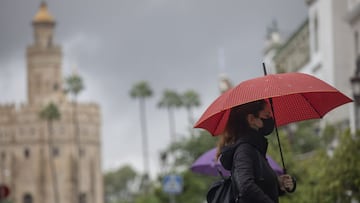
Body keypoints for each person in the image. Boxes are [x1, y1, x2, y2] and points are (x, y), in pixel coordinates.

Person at [216, 99, 295, 203]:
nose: (271, 119)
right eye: (267, 116)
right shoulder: (244, 150)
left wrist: (278, 183)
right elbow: (245, 186)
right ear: (251, 119)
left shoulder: (255, 148)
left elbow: (260, 185)